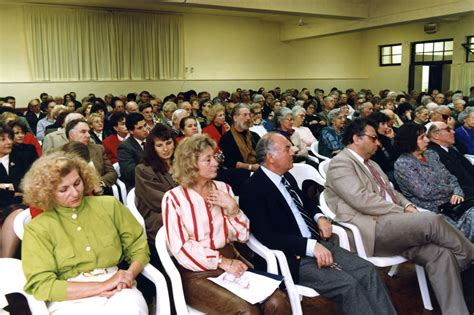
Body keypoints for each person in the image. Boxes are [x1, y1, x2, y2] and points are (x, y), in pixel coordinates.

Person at [324, 118, 474, 315]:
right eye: (373, 138)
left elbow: (393, 193)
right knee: (431, 219)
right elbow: (362, 200)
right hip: (372, 229)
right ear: (356, 138)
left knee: (441, 254)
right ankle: (470, 254)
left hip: (393, 226)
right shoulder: (341, 163)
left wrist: (408, 205)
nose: (378, 143)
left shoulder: (372, 165)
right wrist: (403, 211)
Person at [239, 132, 396, 315]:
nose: (294, 151)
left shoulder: (286, 177)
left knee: (367, 271)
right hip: (292, 258)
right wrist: (310, 246)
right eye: (287, 148)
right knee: (347, 285)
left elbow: (307, 203)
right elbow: (266, 236)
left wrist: (319, 217)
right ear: (270, 157)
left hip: (317, 243)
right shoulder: (252, 189)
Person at [162, 134, 290, 314]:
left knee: (278, 301)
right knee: (245, 311)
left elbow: (243, 236)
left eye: (214, 157)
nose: (215, 163)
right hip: (196, 273)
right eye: (208, 159)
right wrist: (221, 261)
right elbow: (182, 248)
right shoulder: (174, 198)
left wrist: (233, 209)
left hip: (233, 262)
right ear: (190, 165)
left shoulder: (224, 189)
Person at [21, 152, 149, 314]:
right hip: (70, 297)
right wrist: (102, 286)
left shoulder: (109, 205)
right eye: (63, 189)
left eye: (77, 183)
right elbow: (42, 285)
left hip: (119, 288)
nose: (74, 193)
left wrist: (129, 274)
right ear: (48, 192)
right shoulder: (38, 228)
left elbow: (139, 246)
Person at [393, 122, 473, 241]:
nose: (427, 140)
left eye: (426, 136)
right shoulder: (403, 164)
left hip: (456, 203)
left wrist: (457, 192)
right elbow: (425, 192)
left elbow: (451, 177)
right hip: (435, 211)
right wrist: (451, 190)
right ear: (409, 141)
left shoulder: (431, 154)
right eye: (421, 138)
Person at [135, 124, 178, 260]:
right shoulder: (143, 169)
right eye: (159, 145)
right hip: (158, 216)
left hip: (181, 209)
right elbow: (159, 201)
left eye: (168, 143)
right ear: (152, 148)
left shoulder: (180, 163)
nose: (165, 149)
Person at [0, 123, 38, 257]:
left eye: (10, 138)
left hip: (21, 203)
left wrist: (6, 187)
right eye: (2, 139)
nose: (9, 142)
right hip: (5, 205)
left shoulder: (22, 156)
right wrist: (9, 188)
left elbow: (28, 183)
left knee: (20, 213)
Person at [427, 121, 474, 197]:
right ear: (436, 135)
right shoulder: (433, 154)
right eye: (448, 129)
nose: (453, 132)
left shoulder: (448, 149)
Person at [219, 104, 260, 172]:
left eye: (249, 115)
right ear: (235, 118)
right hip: (238, 176)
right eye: (245, 115)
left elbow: (263, 154)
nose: (248, 118)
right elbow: (230, 163)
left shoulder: (255, 136)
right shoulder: (226, 139)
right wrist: (251, 167)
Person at [117, 113, 149, 189]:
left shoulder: (153, 140)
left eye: (145, 125)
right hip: (138, 184)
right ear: (131, 131)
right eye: (140, 128)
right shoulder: (124, 147)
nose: (145, 129)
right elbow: (131, 173)